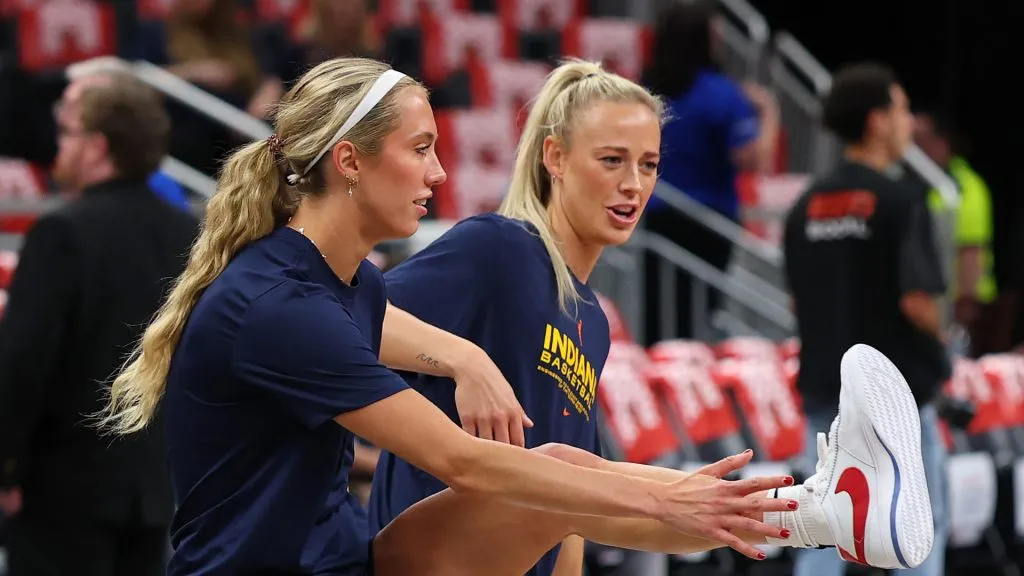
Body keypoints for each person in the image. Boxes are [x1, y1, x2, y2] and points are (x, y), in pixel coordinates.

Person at [99, 57, 933, 575]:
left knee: (570, 468)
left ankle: (818, 513)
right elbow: (468, 463)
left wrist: (463, 359)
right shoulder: (313, 294)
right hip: (307, 559)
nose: (440, 168)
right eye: (420, 148)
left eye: (648, 163)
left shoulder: (348, 289)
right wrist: (465, 360)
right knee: (566, 475)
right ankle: (816, 509)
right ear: (348, 163)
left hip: (355, 559)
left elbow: (564, 501)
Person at [0, 71, 199, 576]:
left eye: (66, 132)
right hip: (158, 489)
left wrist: (7, 468)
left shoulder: (62, 232)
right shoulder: (189, 232)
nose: (56, 145)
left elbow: (22, 365)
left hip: (63, 492)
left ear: (96, 147)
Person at [783, 63, 951, 576]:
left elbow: (796, 301)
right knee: (919, 523)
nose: (909, 123)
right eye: (902, 110)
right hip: (895, 392)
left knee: (825, 522)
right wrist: (943, 344)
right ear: (878, 121)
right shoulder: (901, 199)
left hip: (823, 389)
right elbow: (917, 301)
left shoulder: (804, 206)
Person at [640, 0, 780, 343]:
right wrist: (769, 111)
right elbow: (753, 158)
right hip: (708, 222)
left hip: (657, 217)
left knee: (658, 317)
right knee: (699, 317)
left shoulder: (642, 91)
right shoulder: (721, 94)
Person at [913, 111, 998, 355]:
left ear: (941, 144)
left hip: (957, 308)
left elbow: (971, 249)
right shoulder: (913, 183)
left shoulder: (963, 188)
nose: (913, 150)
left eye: (920, 142)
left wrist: (965, 307)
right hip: (925, 305)